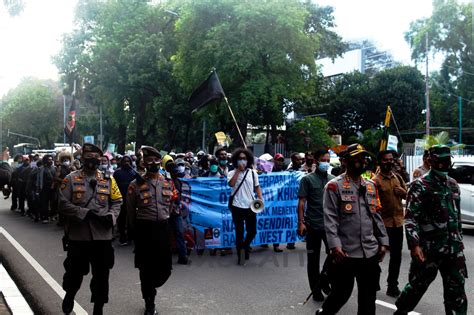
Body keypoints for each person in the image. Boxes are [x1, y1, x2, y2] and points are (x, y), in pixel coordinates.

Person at [316, 144, 389, 315]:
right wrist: (335, 246)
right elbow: (330, 218)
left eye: (362, 158)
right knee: (340, 294)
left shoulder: (371, 186)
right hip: (346, 252)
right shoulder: (334, 186)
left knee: (368, 298)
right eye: (356, 158)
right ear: (345, 161)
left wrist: (384, 242)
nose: (360, 161)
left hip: (369, 252)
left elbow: (376, 215)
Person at [394, 145, 467, 315]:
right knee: (417, 287)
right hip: (429, 249)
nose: (444, 164)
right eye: (440, 161)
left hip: (453, 250)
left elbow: (457, 217)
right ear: (431, 161)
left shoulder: (453, 185)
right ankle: (401, 310)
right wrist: (414, 245)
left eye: (446, 160)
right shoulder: (420, 185)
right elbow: (411, 218)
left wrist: (460, 241)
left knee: (456, 293)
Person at [59, 143, 122, 315]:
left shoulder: (109, 180)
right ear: (82, 158)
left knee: (102, 276)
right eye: (89, 157)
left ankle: (98, 307)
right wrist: (83, 213)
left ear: (101, 159)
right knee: (74, 273)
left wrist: (111, 216)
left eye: (96, 157)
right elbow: (62, 203)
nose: (92, 160)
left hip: (102, 237)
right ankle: (70, 295)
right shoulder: (70, 179)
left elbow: (117, 202)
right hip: (79, 236)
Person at [127, 146, 173, 315]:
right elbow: (130, 210)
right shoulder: (135, 185)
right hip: (144, 229)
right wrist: (133, 231)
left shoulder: (167, 182)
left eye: (155, 160)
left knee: (166, 268)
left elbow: (171, 204)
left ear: (160, 162)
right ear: (143, 163)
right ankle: (149, 302)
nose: (153, 163)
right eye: (149, 161)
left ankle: (150, 286)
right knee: (146, 268)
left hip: (163, 229)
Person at [297, 150, 334, 302]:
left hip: (330, 226)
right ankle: (316, 289)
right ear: (317, 162)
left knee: (336, 256)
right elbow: (301, 203)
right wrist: (301, 222)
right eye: (323, 160)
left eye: (328, 159)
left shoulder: (333, 180)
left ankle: (324, 278)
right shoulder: (307, 180)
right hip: (312, 225)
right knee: (313, 260)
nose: (326, 162)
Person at [373, 150, 407, 297]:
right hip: (382, 224)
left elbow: (408, 194)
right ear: (380, 162)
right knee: (377, 256)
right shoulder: (374, 181)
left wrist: (403, 193)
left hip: (398, 223)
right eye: (386, 160)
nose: (389, 162)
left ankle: (392, 285)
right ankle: (373, 282)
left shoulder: (397, 177)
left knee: (396, 257)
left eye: (391, 159)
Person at [227, 148, 263, 265]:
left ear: (248, 160)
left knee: (252, 231)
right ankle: (241, 256)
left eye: (244, 158)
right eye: (240, 159)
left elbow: (257, 187)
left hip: (250, 206)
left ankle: (244, 246)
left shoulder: (253, 173)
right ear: (235, 160)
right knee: (239, 232)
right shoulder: (231, 173)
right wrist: (238, 170)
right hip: (236, 206)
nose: (242, 160)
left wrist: (260, 197)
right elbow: (231, 184)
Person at [113, 155, 137, 245]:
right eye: (124, 161)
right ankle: (122, 237)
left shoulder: (134, 173)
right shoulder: (117, 173)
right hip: (120, 199)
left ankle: (130, 237)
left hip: (131, 200)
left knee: (131, 218)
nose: (126, 163)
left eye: (128, 161)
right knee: (121, 219)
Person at [37, 154, 56, 223]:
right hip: (44, 187)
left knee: (53, 202)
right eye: (49, 159)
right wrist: (38, 188)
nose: (50, 161)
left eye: (51, 159)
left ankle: (52, 215)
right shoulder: (41, 168)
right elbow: (38, 179)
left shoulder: (54, 168)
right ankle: (45, 217)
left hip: (53, 187)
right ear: (45, 160)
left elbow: (55, 177)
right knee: (44, 203)